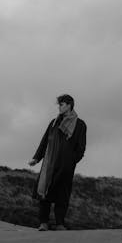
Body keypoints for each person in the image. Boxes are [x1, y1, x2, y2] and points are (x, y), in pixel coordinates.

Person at [28, 94, 87, 231]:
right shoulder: (54, 123)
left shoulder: (80, 125)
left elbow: (81, 147)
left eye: (61, 104)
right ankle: (43, 223)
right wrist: (37, 158)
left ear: (69, 105)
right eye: (59, 104)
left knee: (62, 195)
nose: (59, 107)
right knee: (45, 193)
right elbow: (45, 141)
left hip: (66, 166)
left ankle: (60, 224)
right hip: (49, 164)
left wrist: (72, 161)